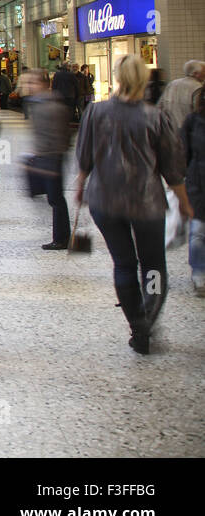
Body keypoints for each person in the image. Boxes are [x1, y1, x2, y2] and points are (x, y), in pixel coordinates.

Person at [75, 55, 191, 354]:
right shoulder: (156, 116)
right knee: (153, 266)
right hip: (146, 202)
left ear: (117, 77)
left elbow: (84, 158)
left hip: (105, 200)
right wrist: (184, 202)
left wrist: (79, 186)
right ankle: (148, 320)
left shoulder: (94, 112)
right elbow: (172, 168)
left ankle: (137, 326)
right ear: (144, 81)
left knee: (124, 263)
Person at [19, 69, 73, 251]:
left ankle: (62, 238)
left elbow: (61, 135)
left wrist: (48, 154)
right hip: (46, 157)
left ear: (43, 84)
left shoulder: (51, 106)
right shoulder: (39, 104)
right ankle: (62, 237)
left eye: (32, 83)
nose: (29, 87)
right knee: (54, 199)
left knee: (56, 200)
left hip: (51, 159)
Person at [183, 87, 205, 295]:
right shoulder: (193, 121)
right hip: (198, 183)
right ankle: (199, 274)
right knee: (198, 231)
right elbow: (185, 153)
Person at [159, 60, 204, 136]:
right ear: (196, 73)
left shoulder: (172, 83)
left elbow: (160, 105)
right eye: (204, 72)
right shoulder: (197, 87)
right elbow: (198, 111)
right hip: (187, 130)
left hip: (170, 128)